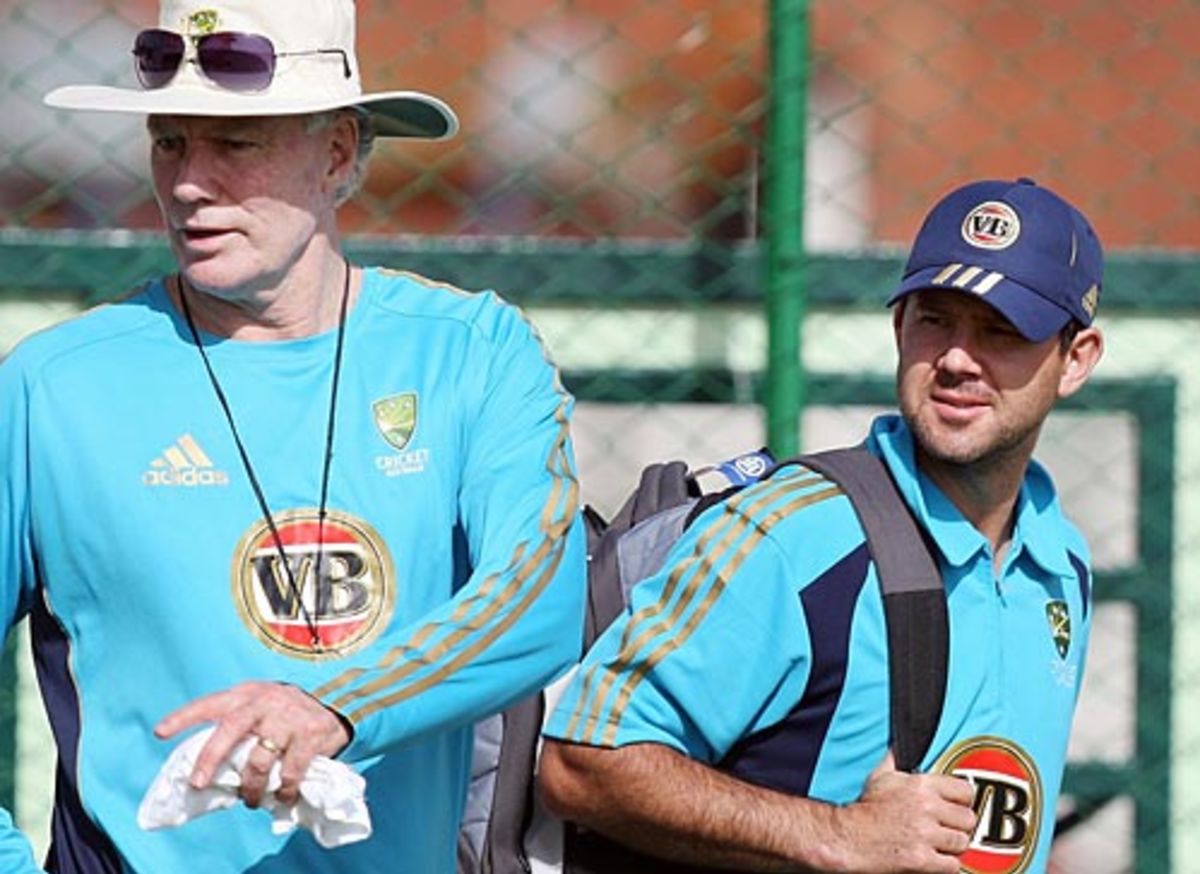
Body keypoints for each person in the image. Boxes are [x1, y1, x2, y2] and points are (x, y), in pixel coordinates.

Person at [0, 1, 586, 872]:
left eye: (236, 144)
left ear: (338, 152)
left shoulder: (472, 352)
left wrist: (336, 707)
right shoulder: (50, 386)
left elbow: (536, 604)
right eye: (170, 142)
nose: (191, 182)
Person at [538, 177, 1105, 873]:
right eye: (935, 320)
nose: (958, 358)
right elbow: (583, 760)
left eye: (1001, 331)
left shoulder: (1060, 557)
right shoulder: (795, 535)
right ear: (900, 328)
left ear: (1076, 359)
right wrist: (839, 835)